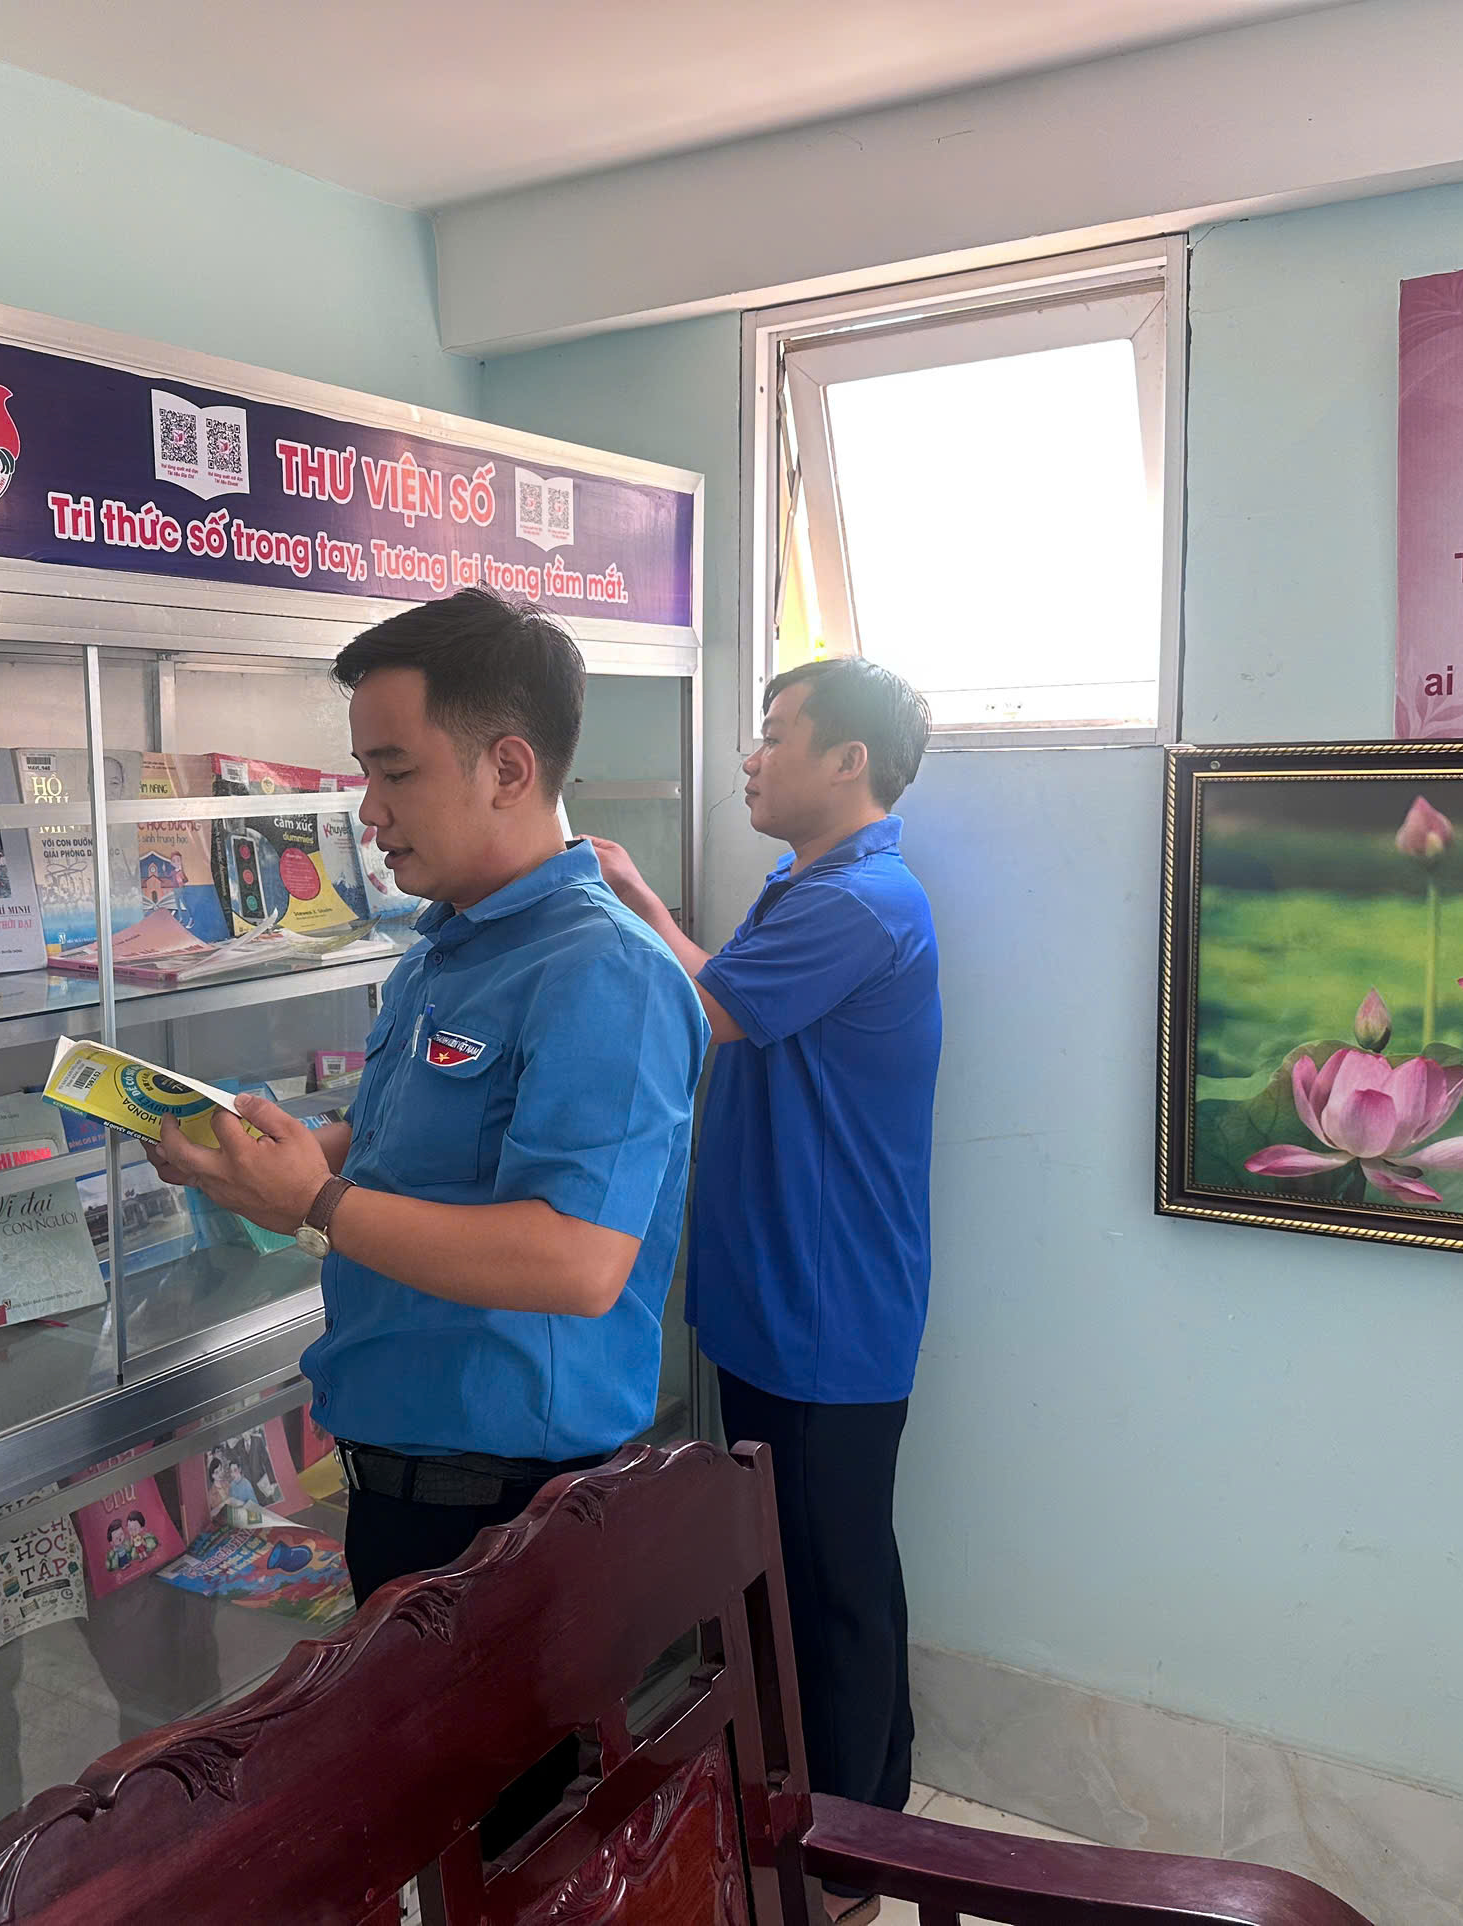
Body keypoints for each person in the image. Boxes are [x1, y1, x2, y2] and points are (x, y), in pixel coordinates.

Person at [146, 588, 709, 1610]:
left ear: (508, 770)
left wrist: (313, 1203)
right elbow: (395, 1139)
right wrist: (270, 1156)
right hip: (398, 1480)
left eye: (396, 772)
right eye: (365, 773)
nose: (370, 812)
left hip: (509, 1512)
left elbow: (578, 1261)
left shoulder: (602, 973)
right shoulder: (443, 948)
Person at [589, 656, 939, 1926]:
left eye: (776, 734)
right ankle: (842, 1819)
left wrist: (605, 903)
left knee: (833, 1586)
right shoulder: (811, 887)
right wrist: (639, 898)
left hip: (827, 1310)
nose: (751, 756)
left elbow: (703, 1012)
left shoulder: (860, 903)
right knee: (811, 1570)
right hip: (778, 1297)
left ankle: (845, 1863)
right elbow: (724, 996)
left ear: (849, 761)